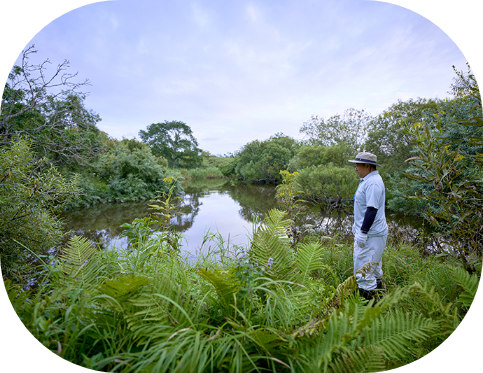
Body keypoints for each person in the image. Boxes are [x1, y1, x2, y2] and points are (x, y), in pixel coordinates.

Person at [348, 152, 388, 302]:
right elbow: (364, 206)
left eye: (358, 165)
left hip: (371, 235)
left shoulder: (373, 183)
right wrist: (356, 225)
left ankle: (368, 311)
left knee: (363, 274)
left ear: (367, 166)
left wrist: (363, 232)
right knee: (374, 269)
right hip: (371, 233)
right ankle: (381, 302)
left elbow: (372, 210)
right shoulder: (368, 180)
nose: (355, 168)